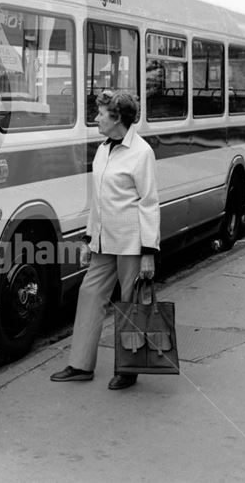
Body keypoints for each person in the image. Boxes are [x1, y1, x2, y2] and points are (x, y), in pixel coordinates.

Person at [50, 89, 160, 390]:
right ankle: (81, 364)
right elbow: (97, 201)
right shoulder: (103, 149)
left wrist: (149, 251)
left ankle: (129, 367)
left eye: (101, 114)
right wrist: (87, 238)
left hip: (131, 242)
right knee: (89, 295)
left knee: (130, 302)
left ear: (117, 119)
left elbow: (149, 202)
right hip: (102, 240)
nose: (96, 118)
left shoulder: (141, 153)